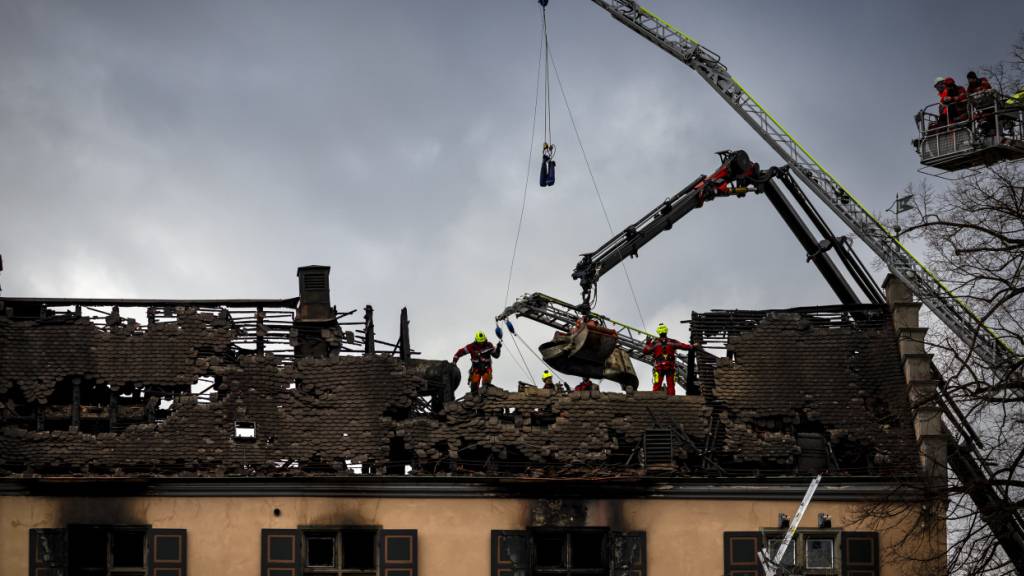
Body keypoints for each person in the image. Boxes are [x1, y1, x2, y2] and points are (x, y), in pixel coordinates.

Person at [642, 322, 694, 396]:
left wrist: (648, 342)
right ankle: (671, 400)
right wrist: (692, 346)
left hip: (659, 367)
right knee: (671, 385)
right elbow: (683, 346)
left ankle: (654, 400)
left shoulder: (655, 343)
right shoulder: (672, 342)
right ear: (666, 331)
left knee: (657, 385)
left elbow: (645, 351)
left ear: (658, 332)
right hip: (670, 367)